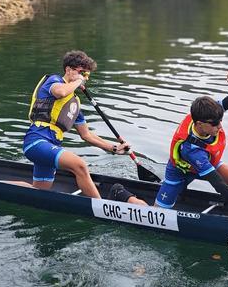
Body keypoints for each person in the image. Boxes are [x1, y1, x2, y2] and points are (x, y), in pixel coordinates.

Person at [23, 50, 147, 203]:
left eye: (87, 75)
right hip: (36, 142)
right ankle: (102, 207)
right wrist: (77, 82)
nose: (84, 78)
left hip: (51, 145)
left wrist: (114, 148)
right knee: (80, 165)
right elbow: (60, 92)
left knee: (39, 191)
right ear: (68, 69)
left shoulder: (74, 104)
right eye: (82, 73)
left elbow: (87, 135)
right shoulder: (54, 81)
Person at [153, 68, 228, 218]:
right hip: (180, 172)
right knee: (157, 214)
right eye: (215, 124)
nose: (219, 126)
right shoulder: (192, 150)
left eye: (221, 121)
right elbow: (218, 185)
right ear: (199, 124)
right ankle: (126, 197)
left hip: (208, 160)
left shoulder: (211, 112)